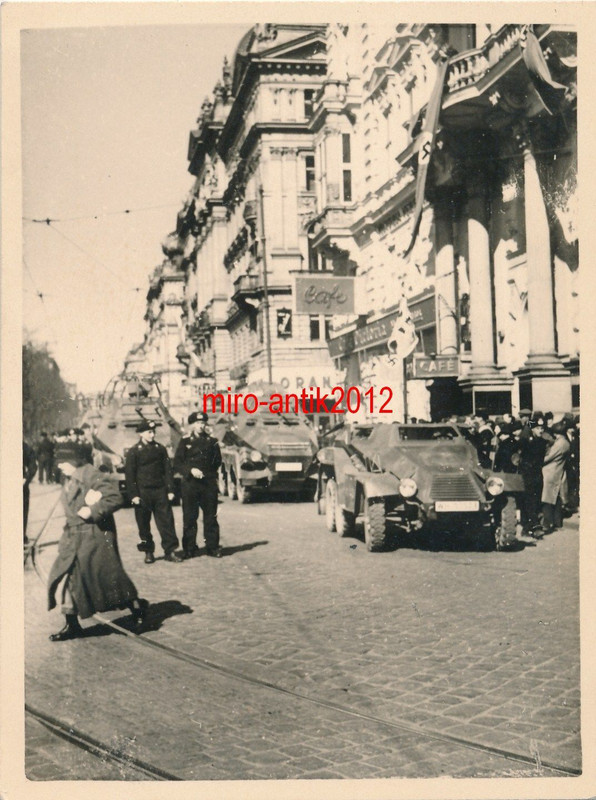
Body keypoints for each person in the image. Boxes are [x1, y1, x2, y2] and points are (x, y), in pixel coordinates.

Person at [47, 455, 147, 641]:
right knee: (72, 578)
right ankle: (72, 624)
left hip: (95, 535)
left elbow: (115, 497)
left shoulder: (91, 474)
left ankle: (137, 607)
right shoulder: (69, 477)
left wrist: (92, 511)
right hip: (75, 536)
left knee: (108, 577)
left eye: (63, 461)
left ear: (74, 459)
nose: (60, 466)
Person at [124, 420, 182, 564]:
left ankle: (170, 551)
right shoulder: (134, 451)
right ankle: (148, 552)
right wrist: (134, 495)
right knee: (143, 524)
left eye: (153, 432)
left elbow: (168, 471)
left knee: (166, 522)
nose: (152, 434)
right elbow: (130, 475)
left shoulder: (160, 449)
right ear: (141, 433)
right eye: (149, 432)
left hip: (159, 491)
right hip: (142, 493)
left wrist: (170, 489)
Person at [173, 411, 223, 558]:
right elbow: (177, 463)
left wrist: (208, 474)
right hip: (190, 484)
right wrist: (190, 470)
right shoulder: (185, 441)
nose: (200, 426)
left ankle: (212, 547)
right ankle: (189, 548)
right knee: (189, 517)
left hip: (208, 484)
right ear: (192, 424)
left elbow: (217, 461)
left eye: (203, 423)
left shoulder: (212, 441)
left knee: (210, 517)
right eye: (198, 423)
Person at [519, 415, 549, 535]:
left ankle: (528, 527)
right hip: (527, 473)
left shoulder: (542, 442)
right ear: (532, 429)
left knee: (536, 500)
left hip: (537, 474)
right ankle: (533, 526)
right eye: (537, 428)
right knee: (528, 500)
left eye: (542, 428)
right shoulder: (525, 441)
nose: (540, 431)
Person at [541, 421, 571, 534]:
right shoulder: (565, 443)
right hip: (558, 472)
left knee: (547, 499)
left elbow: (548, 457)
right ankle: (557, 522)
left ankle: (547, 524)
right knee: (556, 498)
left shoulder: (559, 444)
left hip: (550, 473)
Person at [23, 440, 37, 545]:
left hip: (21, 486)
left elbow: (33, 466)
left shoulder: (25, 447)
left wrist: (26, 479)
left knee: (22, 512)